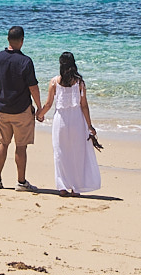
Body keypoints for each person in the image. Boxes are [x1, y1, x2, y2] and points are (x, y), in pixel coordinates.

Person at [36, 51, 101, 196]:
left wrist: (40, 114)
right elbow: (84, 106)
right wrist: (90, 126)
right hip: (77, 121)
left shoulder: (54, 82)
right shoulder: (80, 83)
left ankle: (62, 187)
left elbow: (48, 104)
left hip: (61, 121)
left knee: (60, 153)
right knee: (77, 154)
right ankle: (75, 188)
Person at [0, 25, 41, 190]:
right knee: (21, 146)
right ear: (22, 41)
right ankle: (21, 182)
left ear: (8, 39)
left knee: (2, 143)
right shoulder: (26, 61)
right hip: (21, 109)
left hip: (3, 108)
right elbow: (33, 87)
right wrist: (39, 106)